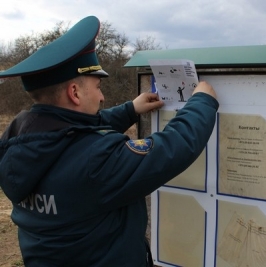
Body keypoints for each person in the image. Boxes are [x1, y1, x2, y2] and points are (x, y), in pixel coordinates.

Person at [0, 16, 218, 267]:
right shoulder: (96, 161)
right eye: (98, 86)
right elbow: (172, 148)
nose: (103, 97)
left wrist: (129, 110)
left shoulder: (19, 143)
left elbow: (70, 133)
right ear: (75, 92)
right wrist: (202, 101)